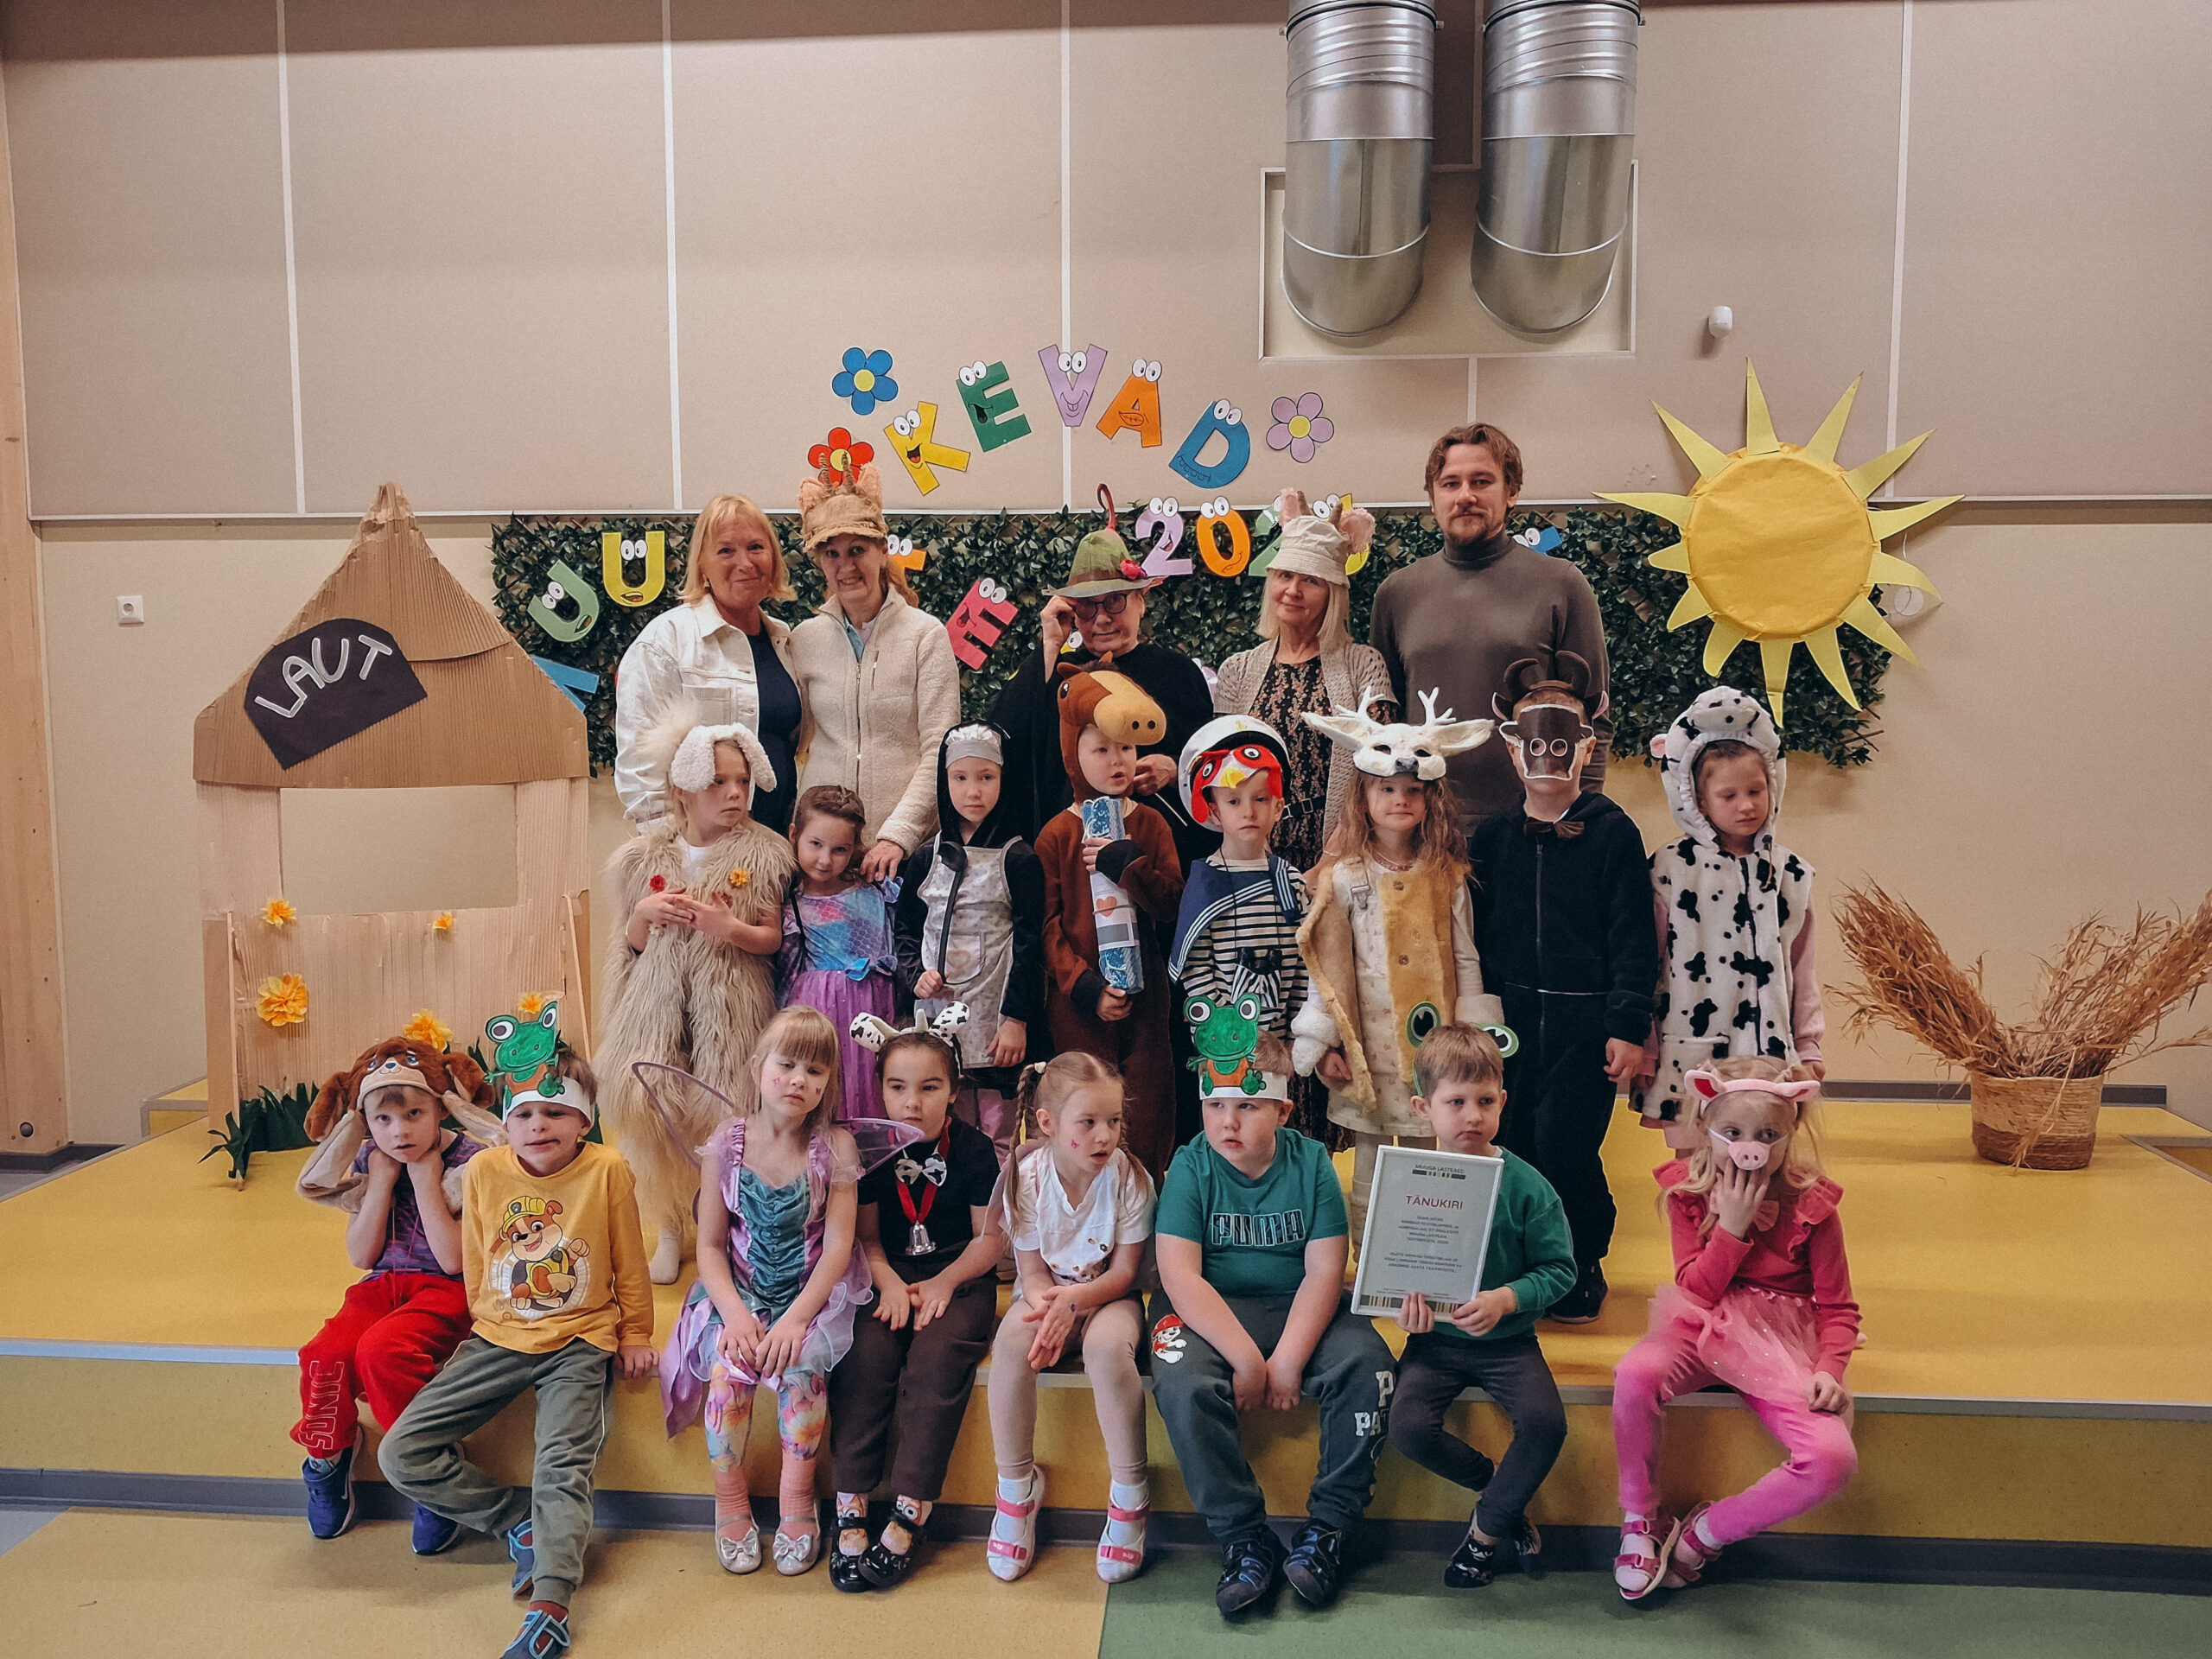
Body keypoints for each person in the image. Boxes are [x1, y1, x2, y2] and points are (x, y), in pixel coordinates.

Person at [378, 1047, 656, 1659]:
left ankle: (551, 1605)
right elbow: (477, 1256)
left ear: (584, 1121)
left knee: (560, 1467)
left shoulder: (607, 1169)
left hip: (580, 1340)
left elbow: (630, 1259)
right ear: (506, 1120)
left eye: (556, 1113)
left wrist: (635, 1332)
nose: (539, 1126)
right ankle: (518, 1522)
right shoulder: (484, 1170)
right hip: (497, 1337)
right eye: (525, 1113)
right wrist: (485, 1324)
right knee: (400, 1452)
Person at [1148, 1064, 1393, 1617]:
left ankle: (1328, 1529)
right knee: (1182, 1383)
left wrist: (1287, 1361)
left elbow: (1325, 1272)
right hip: (1206, 1310)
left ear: (1283, 1111)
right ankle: (1243, 1537)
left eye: (1247, 1106)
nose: (1227, 1122)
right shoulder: (1190, 1164)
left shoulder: (1311, 1162)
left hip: (1298, 1303)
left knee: (1371, 1366)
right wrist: (1246, 1359)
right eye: (1215, 1105)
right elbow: (1180, 1276)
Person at [1611, 1058, 1859, 1600]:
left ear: (1791, 1132)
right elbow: (1695, 1290)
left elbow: (1839, 1307)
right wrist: (1732, 1227)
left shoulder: (1814, 1205)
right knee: (1634, 1375)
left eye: (1768, 1135)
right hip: (1702, 1323)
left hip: (1779, 1340)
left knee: (1832, 1460)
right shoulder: (1687, 1193)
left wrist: (1830, 1368)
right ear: (1706, 1128)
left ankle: (1705, 1533)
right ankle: (1640, 1518)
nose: (1752, 1149)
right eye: (1734, 1133)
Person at [1471, 651, 1658, 1323]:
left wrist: (1627, 1025)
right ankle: (1523, 1261)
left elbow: (1634, 937)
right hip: (1512, 1024)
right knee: (1513, 1143)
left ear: (1585, 746)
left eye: (1562, 739)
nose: (1546, 754)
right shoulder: (1492, 839)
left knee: (1568, 1146)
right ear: (1512, 748)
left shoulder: (1613, 834)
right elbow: (1475, 935)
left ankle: (1582, 1257)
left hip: (1586, 1028)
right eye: (1533, 739)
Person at [659, 1007, 867, 1579]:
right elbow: (709, 1246)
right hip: (738, 1294)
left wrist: (797, 1320)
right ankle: (730, 1504)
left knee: (802, 1377)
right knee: (728, 1376)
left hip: (808, 1297)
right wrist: (733, 1314)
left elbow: (839, 1248)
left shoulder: (836, 1147)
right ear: (758, 1069)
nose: (799, 1079)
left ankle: (797, 1503)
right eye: (787, 1064)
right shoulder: (726, 1143)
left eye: (815, 1071)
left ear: (827, 1083)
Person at [1291, 692, 1502, 1240]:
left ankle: (1426, 1253)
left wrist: (1475, 1039)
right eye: (1386, 789)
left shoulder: (1448, 877)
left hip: (1433, 1055)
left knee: (1430, 1156)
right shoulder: (1344, 877)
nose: (1400, 800)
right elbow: (1327, 969)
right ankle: (1368, 1256)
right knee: (1370, 1159)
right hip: (1368, 1054)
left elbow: (1465, 959)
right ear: (1364, 797)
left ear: (1430, 799)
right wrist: (1326, 1043)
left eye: (1412, 790)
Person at [597, 712, 795, 1283]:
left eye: (742, 781)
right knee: (656, 1114)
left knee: (722, 1115)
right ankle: (668, 1226)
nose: (734, 793)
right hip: (655, 1008)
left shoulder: (765, 853)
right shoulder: (642, 857)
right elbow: (629, 947)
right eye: (718, 782)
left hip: (728, 1008)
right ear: (682, 789)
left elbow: (771, 937)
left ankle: (717, 1225)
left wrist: (728, 929)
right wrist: (643, 914)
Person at [1384, 1025, 1577, 1588]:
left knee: (1546, 1423)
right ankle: (1500, 1487)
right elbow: (1392, 1270)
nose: (1472, 1115)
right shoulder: (1406, 1182)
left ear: (1503, 1102)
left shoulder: (1528, 1187)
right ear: (1423, 1108)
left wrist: (1506, 1298)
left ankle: (1486, 1535)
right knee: (1406, 1428)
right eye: (1456, 1103)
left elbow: (1560, 1270)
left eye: (1485, 1101)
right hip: (1434, 1342)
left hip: (1508, 1342)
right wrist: (1400, 1307)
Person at [290, 1037, 501, 1549]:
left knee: (383, 1351)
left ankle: (426, 1464)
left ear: (441, 1109)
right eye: (382, 1120)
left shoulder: (471, 1160)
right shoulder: (372, 1157)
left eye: (413, 1114)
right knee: (324, 1354)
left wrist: (426, 1181)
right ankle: (328, 1455)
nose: (399, 1131)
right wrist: (382, 1183)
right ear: (365, 1122)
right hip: (382, 1285)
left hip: (445, 1289)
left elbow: (453, 1261)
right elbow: (362, 1256)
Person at [829, 1014, 1004, 1592]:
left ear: (953, 1091)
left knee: (935, 1362)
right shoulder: (869, 1151)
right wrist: (884, 1282)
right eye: (898, 1087)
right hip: (889, 1277)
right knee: (864, 1355)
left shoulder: (976, 1151)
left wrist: (944, 1284)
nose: (912, 1102)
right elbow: (868, 1239)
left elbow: (988, 1241)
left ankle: (912, 1507)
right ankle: (850, 1501)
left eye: (929, 1087)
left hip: (960, 1278)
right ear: (880, 1089)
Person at [1369, 424, 1611, 831]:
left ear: (1510, 491)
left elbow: (1594, 719)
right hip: (1423, 828)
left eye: (1481, 481)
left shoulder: (1561, 585)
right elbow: (1384, 721)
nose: (1465, 496)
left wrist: (1578, 817)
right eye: (1450, 484)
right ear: (1433, 499)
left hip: (1531, 829)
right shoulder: (1397, 594)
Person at [986, 1052, 1156, 1586]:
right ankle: (1016, 1488)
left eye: (1114, 1121)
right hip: (1048, 1296)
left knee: (1106, 1350)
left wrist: (1074, 1304)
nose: (1105, 1135)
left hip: (1108, 1298)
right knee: (1013, 1343)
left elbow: (1124, 1274)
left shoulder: (1129, 1177)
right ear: (1048, 1123)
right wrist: (1051, 1307)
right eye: (1088, 1123)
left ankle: (1130, 1491)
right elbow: (1032, 1273)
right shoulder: (1025, 1177)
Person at [1632, 688, 1827, 1148]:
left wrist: (1809, 1044)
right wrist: (1646, 1046)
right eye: (1729, 795)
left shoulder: (1789, 874)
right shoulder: (1670, 870)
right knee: (1692, 1169)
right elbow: (1646, 965)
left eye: (1756, 791)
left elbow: (1801, 968)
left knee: (1762, 1160)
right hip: (1689, 1054)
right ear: (1697, 800)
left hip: (1768, 1055)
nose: (1746, 805)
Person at [992, 499, 1215, 871]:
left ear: (1141, 601)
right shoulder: (1059, 674)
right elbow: (1005, 736)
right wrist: (1049, 646)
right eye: (1086, 606)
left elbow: (1213, 760)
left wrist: (1175, 769)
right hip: (1072, 857)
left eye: (1114, 601)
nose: (1101, 619)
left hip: (1161, 857)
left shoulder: (1177, 673)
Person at [1037, 668, 1185, 1177]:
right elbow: (1047, 927)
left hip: (1147, 1002)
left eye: (1125, 747)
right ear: (1073, 753)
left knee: (1146, 1110)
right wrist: (1084, 988)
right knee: (1083, 1107)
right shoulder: (1057, 834)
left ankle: (1142, 1209)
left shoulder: (1151, 823)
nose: (1117, 760)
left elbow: (1172, 903)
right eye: (1100, 749)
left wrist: (1127, 863)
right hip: (1080, 1006)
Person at [788, 462, 961, 881]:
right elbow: (794, 740)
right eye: (831, 554)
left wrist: (898, 836)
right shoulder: (803, 640)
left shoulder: (925, 636)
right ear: (820, 562)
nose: (845, 566)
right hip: (824, 859)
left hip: (902, 856)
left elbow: (940, 749)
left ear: (882, 551)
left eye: (857, 550)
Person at [1211, 490, 1396, 873]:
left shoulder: (1364, 666)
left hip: (1344, 861)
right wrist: (1255, 859)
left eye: (1310, 580)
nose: (1293, 590)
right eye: (1285, 576)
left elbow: (1381, 769)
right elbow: (1222, 773)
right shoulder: (1237, 671)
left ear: (1333, 593)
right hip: (1254, 861)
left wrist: (1328, 864)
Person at [893, 722, 1045, 1163]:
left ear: (1004, 779)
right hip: (937, 1014)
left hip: (995, 1020)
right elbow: (906, 929)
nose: (972, 791)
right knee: (947, 1123)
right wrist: (915, 975)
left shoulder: (1019, 858)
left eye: (986, 777)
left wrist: (1016, 1019)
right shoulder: (926, 856)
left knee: (1000, 1130)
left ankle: (1001, 1201)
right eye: (959, 777)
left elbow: (1030, 944)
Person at [614, 493, 806, 835]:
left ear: (774, 559)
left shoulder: (784, 642)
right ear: (702, 565)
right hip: (703, 851)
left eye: (756, 547)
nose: (745, 563)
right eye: (726, 550)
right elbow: (640, 768)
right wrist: (678, 853)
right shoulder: (666, 641)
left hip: (778, 845)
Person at [1167, 715, 1316, 1140]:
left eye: (1260, 799)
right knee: (1229, 1135)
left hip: (1282, 1047)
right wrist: (1223, 1034)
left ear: (1279, 806)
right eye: (1233, 801)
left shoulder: (1291, 881)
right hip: (1224, 1045)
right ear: (1213, 810)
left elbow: (1303, 963)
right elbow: (1197, 970)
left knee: (1274, 1136)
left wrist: (1294, 1037)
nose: (1248, 811)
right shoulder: (1205, 881)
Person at [781, 785, 900, 1123]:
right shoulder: (791, 903)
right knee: (828, 1091)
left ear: (855, 849)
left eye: (839, 850)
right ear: (794, 835)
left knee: (873, 1086)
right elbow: (786, 973)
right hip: (822, 1009)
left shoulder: (877, 890)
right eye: (815, 844)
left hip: (878, 1008)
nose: (825, 859)